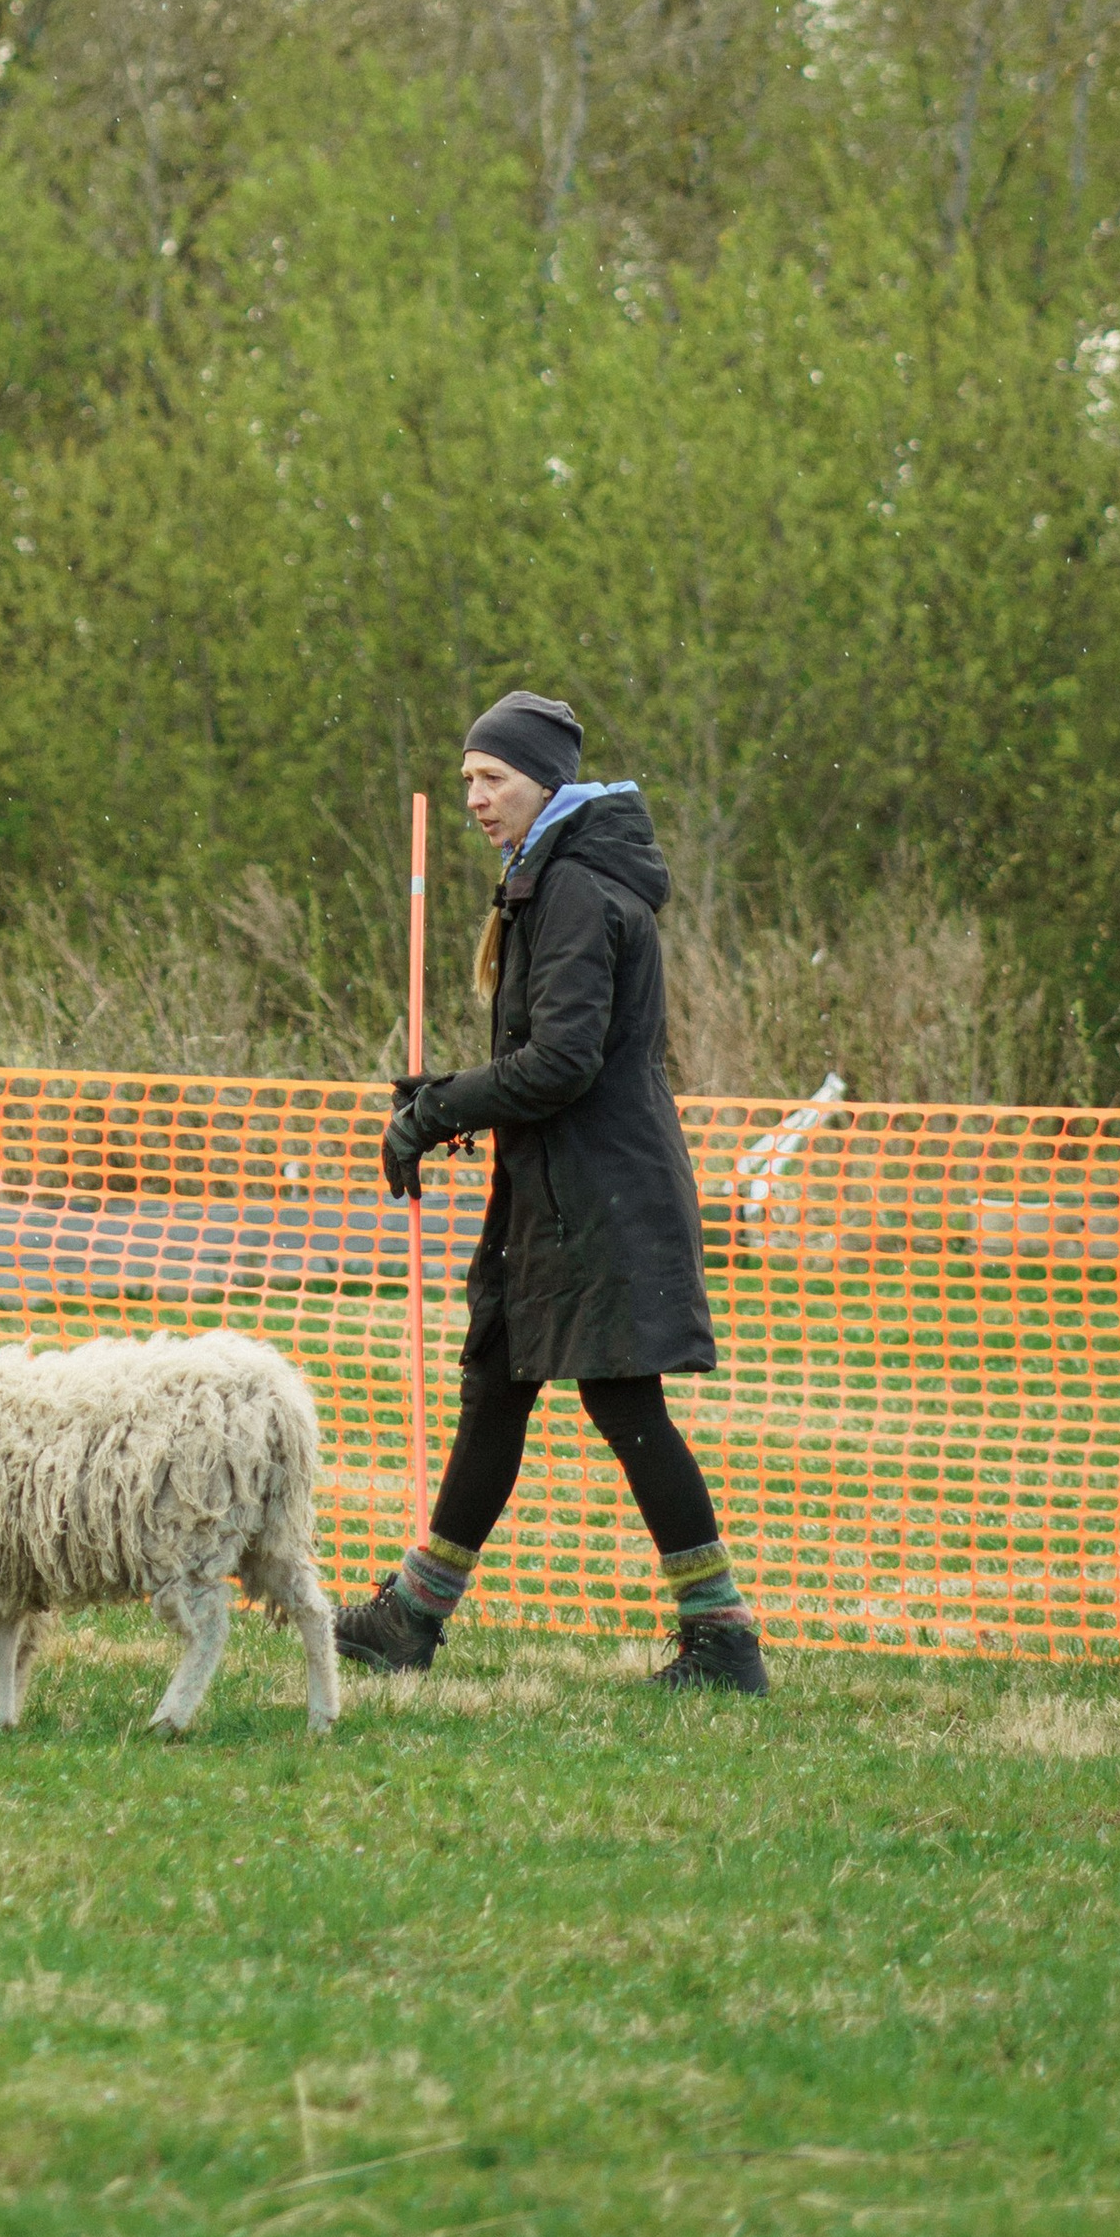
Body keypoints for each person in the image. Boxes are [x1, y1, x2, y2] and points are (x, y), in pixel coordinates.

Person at [335, 690, 767, 1695]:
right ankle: (412, 1615)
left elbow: (562, 1063)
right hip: (554, 1192)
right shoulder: (549, 878)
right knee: (494, 1388)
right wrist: (451, 1095)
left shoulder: (573, 887)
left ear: (545, 783)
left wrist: (441, 1110)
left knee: (626, 1404)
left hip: (600, 1194)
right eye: (466, 783)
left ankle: (723, 1638)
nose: (475, 800)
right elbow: (543, 1060)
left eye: (491, 780)